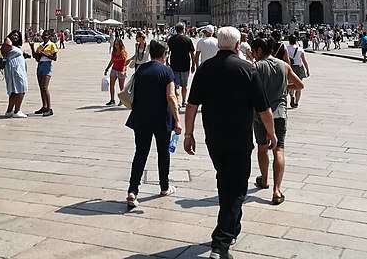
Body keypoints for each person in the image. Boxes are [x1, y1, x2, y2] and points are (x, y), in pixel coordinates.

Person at [184, 26, 276, 259]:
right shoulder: (247, 69)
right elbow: (264, 109)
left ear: (218, 44)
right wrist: (271, 134)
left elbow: (192, 105)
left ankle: (232, 228)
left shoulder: (205, 69)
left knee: (225, 180)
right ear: (238, 46)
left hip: (213, 138)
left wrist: (188, 134)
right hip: (239, 137)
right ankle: (220, 244)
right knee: (236, 188)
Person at [125, 39, 182, 209]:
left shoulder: (141, 69)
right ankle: (164, 187)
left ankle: (132, 190)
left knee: (140, 153)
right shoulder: (167, 72)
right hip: (161, 120)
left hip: (141, 117)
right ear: (165, 54)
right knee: (163, 153)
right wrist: (178, 121)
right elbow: (171, 97)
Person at [250, 37, 304, 205]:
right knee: (279, 150)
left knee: (262, 148)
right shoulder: (284, 65)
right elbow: (300, 85)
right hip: (279, 114)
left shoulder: (255, 67)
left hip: (260, 114)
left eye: (253, 51)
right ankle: (276, 190)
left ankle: (264, 180)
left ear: (259, 51)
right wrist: (286, 88)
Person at [29, 30, 58, 116]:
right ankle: (44, 106)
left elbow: (54, 58)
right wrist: (32, 48)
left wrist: (44, 54)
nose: (45, 37)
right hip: (40, 65)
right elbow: (36, 57)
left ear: (49, 36)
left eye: (46, 35)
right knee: (41, 87)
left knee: (45, 87)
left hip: (47, 66)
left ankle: (49, 108)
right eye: (43, 35)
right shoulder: (40, 45)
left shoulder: (52, 45)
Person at [167, 22, 195, 109]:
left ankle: (177, 102)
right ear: (184, 30)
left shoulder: (171, 39)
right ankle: (183, 101)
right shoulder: (187, 40)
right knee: (184, 85)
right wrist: (193, 64)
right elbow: (192, 53)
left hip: (174, 65)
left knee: (175, 85)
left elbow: (168, 51)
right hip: (185, 65)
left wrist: (167, 61)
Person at [2, 32, 28, 118]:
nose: (16, 37)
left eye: (18, 36)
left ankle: (9, 111)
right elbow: (8, 45)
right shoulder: (7, 45)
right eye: (14, 35)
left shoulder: (16, 47)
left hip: (19, 69)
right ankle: (17, 110)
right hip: (15, 70)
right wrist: (7, 38)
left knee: (14, 91)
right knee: (21, 89)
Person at [286, 35, 309, 108]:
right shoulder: (300, 49)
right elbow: (304, 61)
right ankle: (296, 102)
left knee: (290, 84)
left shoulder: (286, 48)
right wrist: (307, 70)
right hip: (299, 67)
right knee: (299, 85)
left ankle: (291, 95)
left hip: (290, 67)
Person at [104, 37, 129, 106]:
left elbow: (125, 63)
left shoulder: (123, 52)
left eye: (117, 44)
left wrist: (123, 71)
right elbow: (112, 61)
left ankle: (122, 100)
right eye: (115, 44)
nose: (116, 46)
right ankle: (112, 100)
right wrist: (107, 69)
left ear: (120, 44)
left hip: (121, 70)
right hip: (114, 70)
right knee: (111, 85)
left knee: (121, 87)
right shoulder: (114, 52)